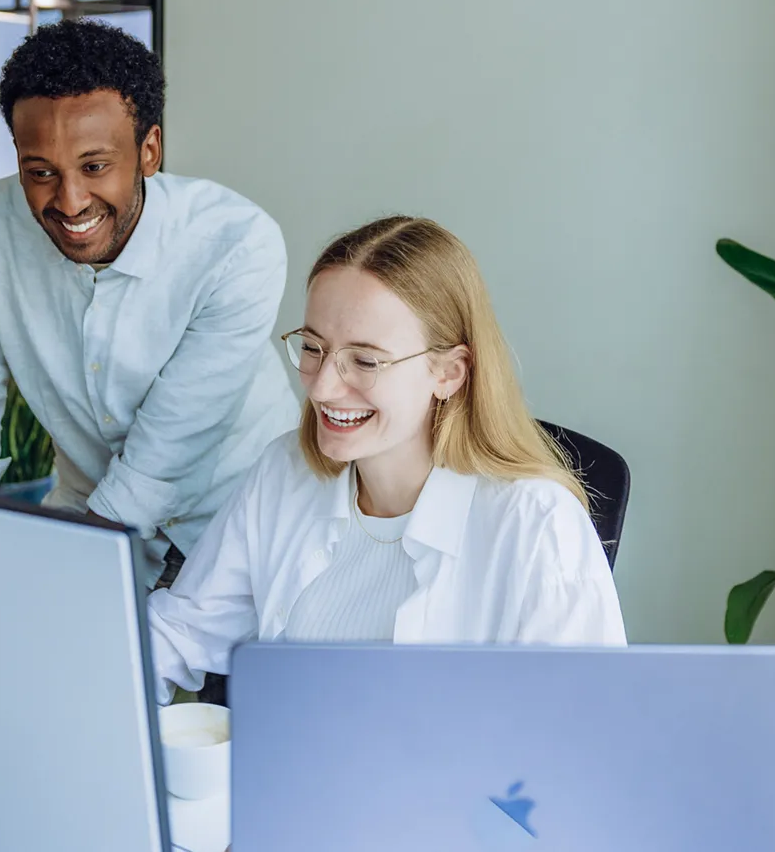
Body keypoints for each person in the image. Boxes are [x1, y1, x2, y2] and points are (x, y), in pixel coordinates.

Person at [147, 216, 625, 702]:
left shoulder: (537, 525)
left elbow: (582, 735)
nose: (323, 386)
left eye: (365, 360)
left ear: (449, 373)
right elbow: (180, 633)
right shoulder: (284, 471)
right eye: (313, 347)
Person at [0, 20, 298, 584]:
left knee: (232, 677)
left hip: (246, 525)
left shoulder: (236, 244)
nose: (69, 201)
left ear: (149, 151)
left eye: (95, 167)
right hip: (89, 511)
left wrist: (82, 574)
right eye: (39, 172)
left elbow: (167, 449)